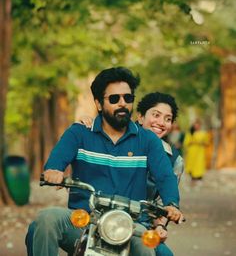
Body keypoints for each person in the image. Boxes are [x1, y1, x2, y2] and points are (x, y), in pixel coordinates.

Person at [25, 67, 183, 256]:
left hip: (130, 225)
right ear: (99, 104)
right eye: (114, 99)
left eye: (128, 98)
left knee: (148, 250)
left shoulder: (148, 140)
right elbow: (56, 161)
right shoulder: (79, 133)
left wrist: (172, 204)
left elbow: (165, 176)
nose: (122, 103)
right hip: (83, 220)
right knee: (46, 219)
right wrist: (54, 170)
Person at [137, 92, 184, 256]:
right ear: (141, 117)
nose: (161, 123)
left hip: (141, 224)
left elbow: (162, 203)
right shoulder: (119, 141)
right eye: (156, 115)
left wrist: (160, 226)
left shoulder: (174, 160)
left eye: (168, 119)